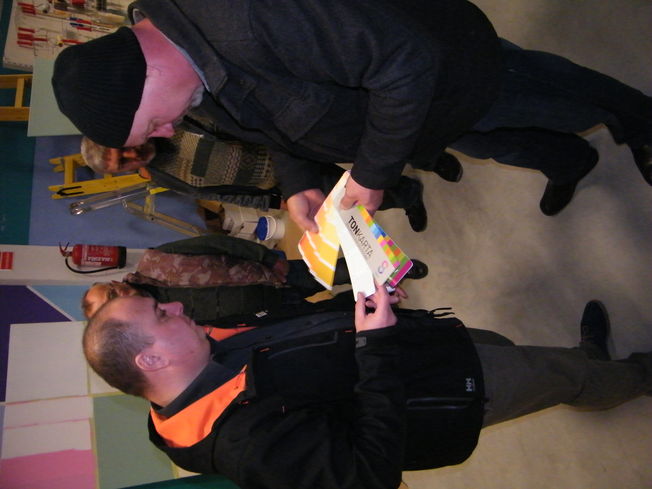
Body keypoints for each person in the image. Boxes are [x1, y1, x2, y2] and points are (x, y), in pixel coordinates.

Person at [52, 0, 652, 229]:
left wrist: (371, 174)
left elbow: (406, 61)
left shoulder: (244, 17)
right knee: (505, 142)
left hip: (453, 70)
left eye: (150, 124)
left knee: (564, 98)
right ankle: (570, 161)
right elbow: (274, 124)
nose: (166, 134)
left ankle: (641, 121)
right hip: (416, 120)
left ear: (141, 80)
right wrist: (297, 183)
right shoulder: (192, 76)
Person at [83, 286, 651, 489]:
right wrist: (374, 348)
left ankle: (586, 364)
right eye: (161, 313)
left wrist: (356, 303)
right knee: (555, 378)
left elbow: (296, 328)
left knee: (521, 353)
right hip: (443, 391)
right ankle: (626, 375)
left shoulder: (207, 346)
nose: (175, 305)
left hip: (422, 346)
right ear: (152, 358)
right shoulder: (245, 446)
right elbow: (368, 473)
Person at [79, 117, 430, 230]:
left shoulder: (172, 122)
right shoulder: (160, 178)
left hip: (289, 143)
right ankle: (407, 196)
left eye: (122, 148)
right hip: (284, 184)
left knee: (367, 145)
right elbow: (220, 194)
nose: (131, 155)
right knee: (348, 197)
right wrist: (274, 202)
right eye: (122, 162)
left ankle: (430, 155)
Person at [81, 233, 429, 323]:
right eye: (109, 299)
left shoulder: (155, 260)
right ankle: (385, 298)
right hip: (270, 311)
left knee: (337, 270)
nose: (116, 290)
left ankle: (397, 268)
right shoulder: (159, 321)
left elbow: (215, 243)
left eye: (109, 288)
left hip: (270, 274)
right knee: (340, 308)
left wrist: (266, 256)